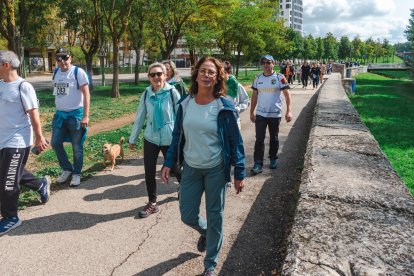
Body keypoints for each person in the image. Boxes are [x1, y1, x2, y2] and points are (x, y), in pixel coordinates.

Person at [161, 56, 246, 276]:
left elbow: (235, 141)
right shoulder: (186, 103)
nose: (206, 75)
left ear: (217, 77)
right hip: (191, 167)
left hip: (216, 168)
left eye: (211, 72)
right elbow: (178, 135)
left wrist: (239, 172)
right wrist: (169, 162)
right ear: (196, 74)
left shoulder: (224, 105)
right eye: (203, 71)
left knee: (215, 214)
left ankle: (210, 264)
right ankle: (208, 232)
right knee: (187, 214)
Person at [0, 50, 51, 235]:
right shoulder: (1, 84)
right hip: (2, 139)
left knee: (7, 180)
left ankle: (11, 217)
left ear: (6, 65)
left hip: (17, 140)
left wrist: (39, 137)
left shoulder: (23, 87)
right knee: (12, 172)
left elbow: (33, 114)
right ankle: (41, 185)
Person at [129, 62, 181, 218]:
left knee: (175, 168)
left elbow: (181, 117)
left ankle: (184, 189)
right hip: (151, 137)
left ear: (165, 75)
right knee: (149, 171)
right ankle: (152, 202)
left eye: (159, 74)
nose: (156, 77)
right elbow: (139, 118)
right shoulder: (146, 94)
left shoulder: (173, 93)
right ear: (149, 77)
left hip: (169, 138)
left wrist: (184, 138)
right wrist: (133, 138)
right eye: (153, 75)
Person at [51, 48, 90, 187]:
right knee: (55, 143)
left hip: (75, 115)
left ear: (70, 58)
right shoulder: (56, 72)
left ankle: (77, 173)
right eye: (59, 59)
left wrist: (85, 116)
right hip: (60, 115)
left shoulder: (77, 72)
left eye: (65, 58)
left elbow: (86, 94)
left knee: (76, 146)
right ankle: (67, 169)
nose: (62, 61)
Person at [250, 54, 293, 174]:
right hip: (261, 114)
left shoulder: (280, 77)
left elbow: (287, 94)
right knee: (259, 139)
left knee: (274, 138)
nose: (266, 65)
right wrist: (251, 111)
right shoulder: (258, 78)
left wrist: (289, 110)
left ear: (273, 63)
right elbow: (254, 96)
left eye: (268, 63)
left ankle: (273, 158)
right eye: (263, 63)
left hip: (274, 114)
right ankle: (258, 163)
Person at [223, 61, 249, 129]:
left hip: (233, 120)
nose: (221, 76)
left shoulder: (237, 86)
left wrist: (237, 109)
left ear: (228, 72)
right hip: (218, 121)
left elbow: (245, 101)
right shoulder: (215, 86)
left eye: (223, 73)